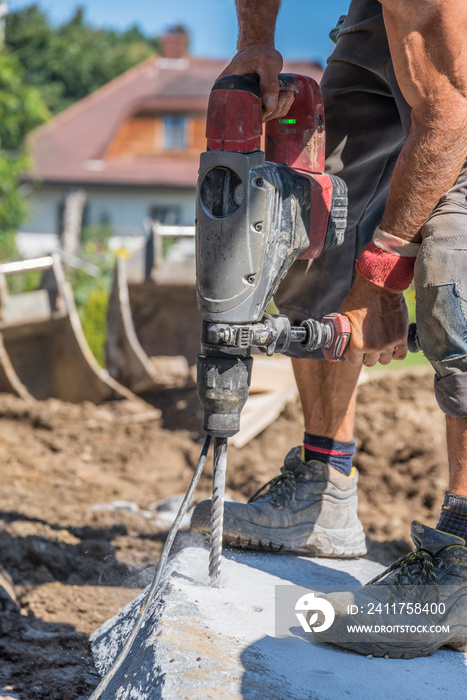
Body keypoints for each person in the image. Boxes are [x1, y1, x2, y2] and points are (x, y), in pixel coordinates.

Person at [191, 0, 467, 657]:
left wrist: (379, 278)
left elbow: (450, 114)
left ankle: (461, 560)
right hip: (389, 18)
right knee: (321, 204)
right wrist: (255, 40)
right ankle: (323, 490)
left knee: (452, 256)